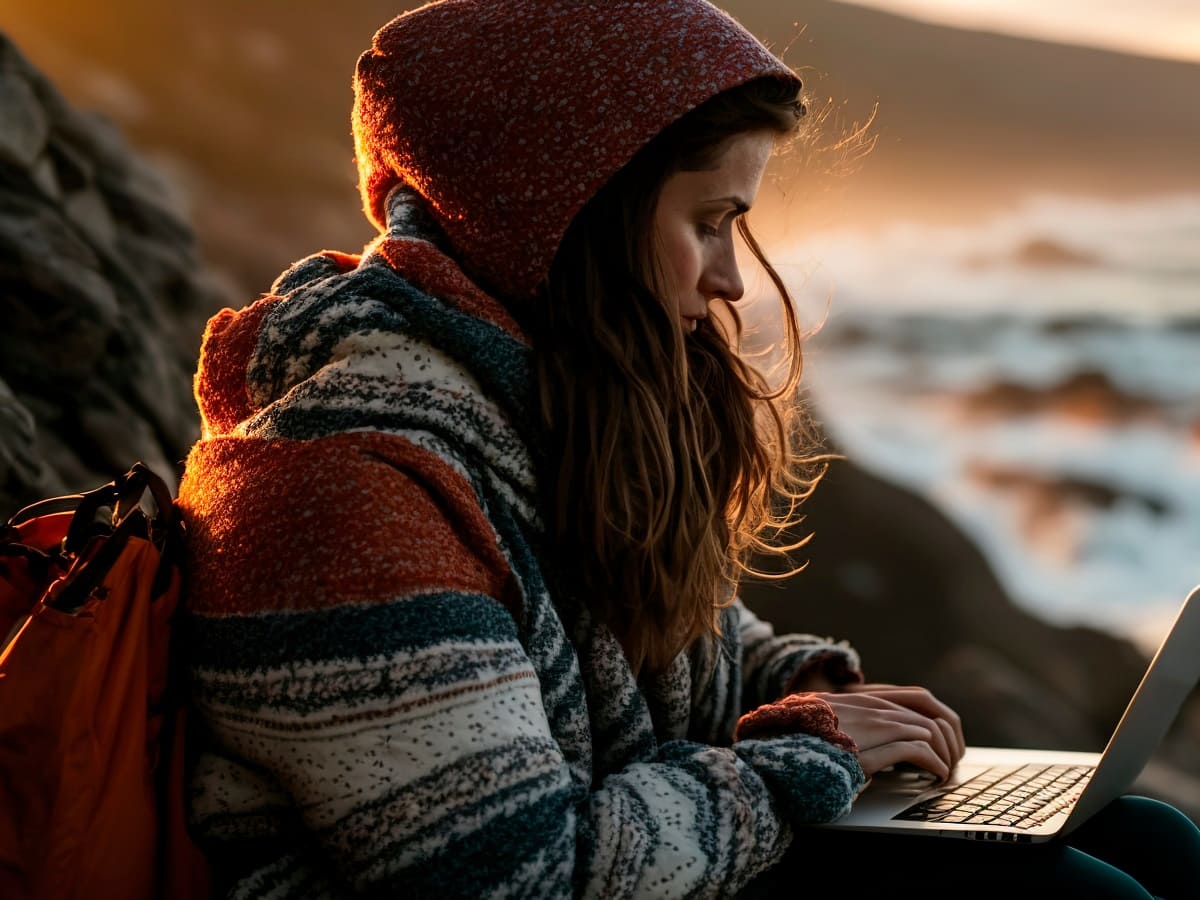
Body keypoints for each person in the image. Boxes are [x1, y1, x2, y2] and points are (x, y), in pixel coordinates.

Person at [175, 1, 1200, 897]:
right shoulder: (341, 492)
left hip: (653, 852)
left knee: (1146, 833)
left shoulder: (539, 410)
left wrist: (810, 688)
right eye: (711, 222)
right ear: (567, 222)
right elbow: (518, 875)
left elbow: (668, 656)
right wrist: (814, 754)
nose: (733, 281)